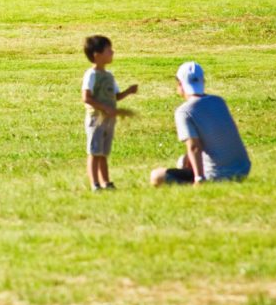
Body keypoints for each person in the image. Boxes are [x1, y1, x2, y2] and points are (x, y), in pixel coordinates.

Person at [150, 61, 251, 186]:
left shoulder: (184, 111)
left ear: (180, 84)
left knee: (157, 176)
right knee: (183, 160)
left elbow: (194, 147)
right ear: (203, 81)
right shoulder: (219, 101)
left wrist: (199, 179)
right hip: (243, 170)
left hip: (217, 175)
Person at [82, 35, 138, 192]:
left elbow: (115, 96)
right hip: (96, 119)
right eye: (108, 50)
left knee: (103, 153)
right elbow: (86, 97)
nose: (112, 52)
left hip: (109, 120)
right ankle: (95, 184)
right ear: (97, 55)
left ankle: (106, 182)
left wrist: (128, 92)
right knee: (94, 152)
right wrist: (105, 108)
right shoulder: (91, 75)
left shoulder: (109, 76)